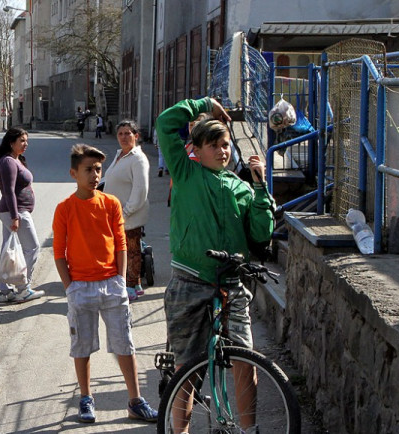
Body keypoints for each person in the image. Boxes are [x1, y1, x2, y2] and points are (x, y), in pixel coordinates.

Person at [156, 97, 274, 433]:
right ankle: (180, 430)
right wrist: (203, 104)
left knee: (244, 359)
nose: (222, 151)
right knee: (188, 369)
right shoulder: (185, 172)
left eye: (225, 144)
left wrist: (261, 185)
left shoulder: (241, 187)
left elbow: (261, 232)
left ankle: (248, 429)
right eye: (213, 145)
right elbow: (166, 121)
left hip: (232, 283)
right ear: (196, 149)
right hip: (190, 281)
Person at [53, 144, 159, 424]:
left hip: (112, 284)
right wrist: (70, 287)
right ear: (74, 173)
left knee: (125, 344)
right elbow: (59, 253)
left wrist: (121, 280)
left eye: (98, 169)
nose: (95, 175)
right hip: (81, 288)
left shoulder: (111, 203)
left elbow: (121, 243)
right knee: (82, 347)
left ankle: (135, 401)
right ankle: (86, 398)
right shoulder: (64, 209)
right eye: (88, 169)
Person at [0, 127, 45, 303]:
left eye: (26, 140)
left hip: (13, 211)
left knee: (9, 250)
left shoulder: (15, 160)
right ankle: (23, 287)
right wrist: (15, 216)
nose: (25, 144)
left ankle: (5, 290)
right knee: (33, 247)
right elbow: (9, 191)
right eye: (22, 140)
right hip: (15, 211)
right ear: (11, 142)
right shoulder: (8, 162)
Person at [102, 120, 150, 302]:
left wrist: (125, 213)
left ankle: (130, 287)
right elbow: (109, 179)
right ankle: (135, 283)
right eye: (120, 133)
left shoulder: (138, 158)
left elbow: (140, 191)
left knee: (131, 251)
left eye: (128, 133)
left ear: (136, 136)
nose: (124, 137)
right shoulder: (120, 155)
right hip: (116, 213)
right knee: (126, 250)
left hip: (129, 214)